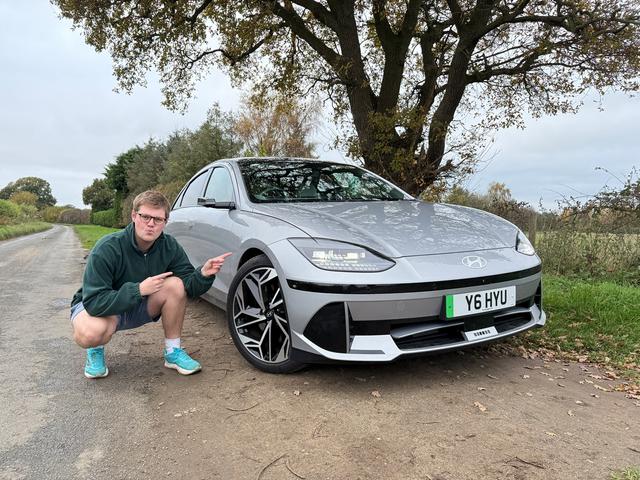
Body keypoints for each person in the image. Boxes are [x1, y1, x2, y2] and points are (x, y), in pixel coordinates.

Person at [70, 190, 231, 379]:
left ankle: (173, 353)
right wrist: (138, 290)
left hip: (138, 305)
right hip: (100, 309)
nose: (151, 224)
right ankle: (95, 350)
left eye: (158, 219)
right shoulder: (108, 247)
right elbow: (95, 301)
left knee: (175, 285)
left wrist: (203, 274)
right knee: (91, 334)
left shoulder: (169, 246)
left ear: (165, 222)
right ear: (133, 216)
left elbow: (189, 287)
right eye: (145, 216)